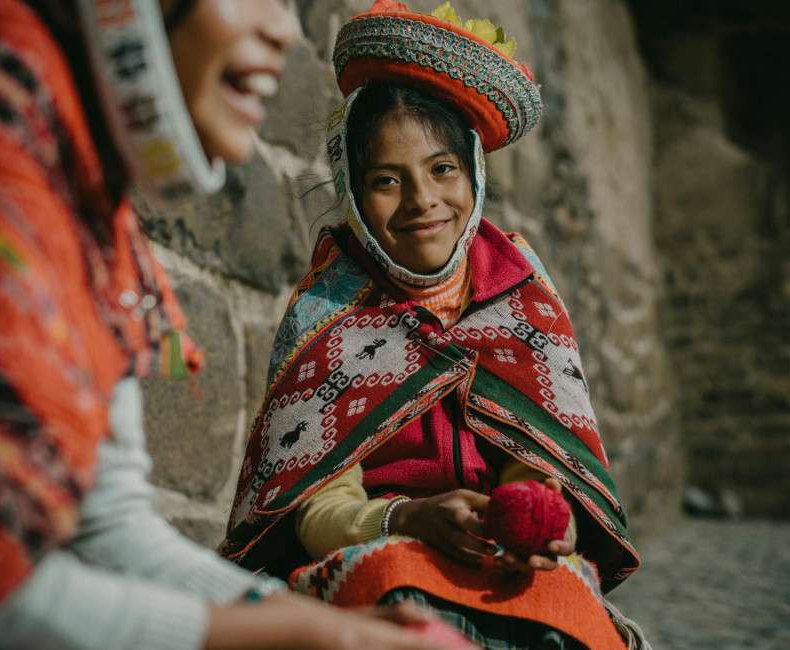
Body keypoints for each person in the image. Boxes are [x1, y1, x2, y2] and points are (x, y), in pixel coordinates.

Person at [0, 1, 458, 648]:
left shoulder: (79, 193)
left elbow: (110, 527)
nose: (283, 29)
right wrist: (315, 631)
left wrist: (325, 625)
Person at [222, 2, 649, 649]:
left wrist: (534, 515)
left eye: (442, 170)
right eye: (387, 180)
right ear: (354, 193)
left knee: (566, 599)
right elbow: (315, 512)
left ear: (473, 171)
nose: (423, 202)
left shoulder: (520, 295)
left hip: (494, 544)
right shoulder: (329, 315)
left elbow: (533, 462)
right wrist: (407, 517)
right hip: (382, 543)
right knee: (400, 587)